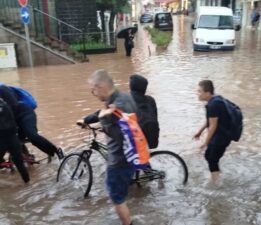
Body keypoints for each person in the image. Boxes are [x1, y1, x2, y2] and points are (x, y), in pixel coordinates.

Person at [78, 69, 136, 225]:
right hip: (131, 156)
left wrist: (104, 122)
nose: (92, 93)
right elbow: (102, 112)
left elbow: (121, 136)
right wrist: (87, 119)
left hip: (119, 160)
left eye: (93, 89)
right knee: (121, 193)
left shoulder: (114, 109)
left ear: (101, 87)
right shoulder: (123, 97)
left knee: (117, 197)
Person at [0, 84, 64, 162]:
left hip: (24, 114)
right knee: (12, 139)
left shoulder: (3, 89)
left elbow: (13, 105)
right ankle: (23, 156)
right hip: (10, 119)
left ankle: (56, 150)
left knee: (32, 135)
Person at [193, 80, 231, 184]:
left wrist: (205, 143)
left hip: (222, 137)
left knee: (212, 159)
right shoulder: (214, 100)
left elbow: (213, 125)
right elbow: (210, 120)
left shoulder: (213, 105)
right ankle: (217, 175)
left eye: (200, 91)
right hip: (221, 134)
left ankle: (216, 184)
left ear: (208, 93)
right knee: (209, 156)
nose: (198, 94)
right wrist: (200, 132)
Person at [0, 98, 30, 183]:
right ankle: (28, 183)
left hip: (2, 141)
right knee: (20, 164)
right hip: (13, 138)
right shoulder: (5, 104)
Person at [129, 74, 160, 149]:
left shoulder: (127, 100)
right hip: (153, 139)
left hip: (136, 141)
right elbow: (155, 117)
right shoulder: (151, 100)